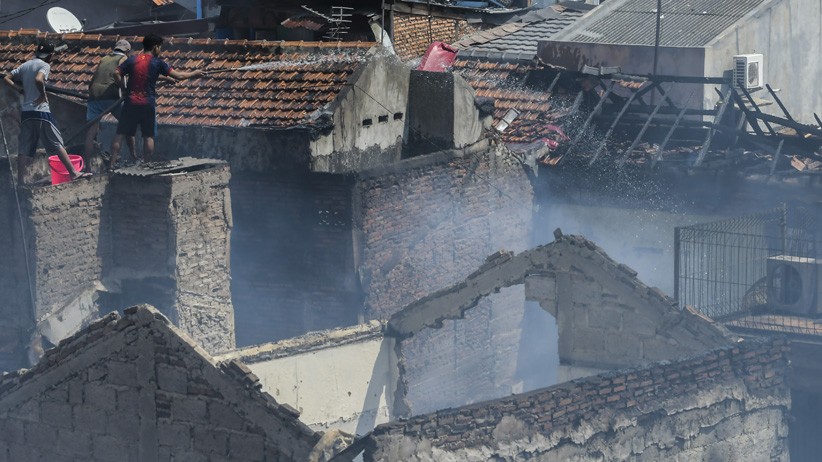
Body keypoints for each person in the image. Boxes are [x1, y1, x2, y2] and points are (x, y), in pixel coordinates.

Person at [110, 34, 203, 167]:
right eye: (160, 47)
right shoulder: (158, 63)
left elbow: (116, 73)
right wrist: (195, 73)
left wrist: (124, 89)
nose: (160, 50)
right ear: (155, 47)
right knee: (148, 135)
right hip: (147, 103)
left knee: (121, 133)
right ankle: (147, 165)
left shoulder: (132, 59)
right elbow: (180, 76)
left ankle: (111, 165)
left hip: (130, 103)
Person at [3, 42, 89, 184]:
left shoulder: (25, 65)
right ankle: (73, 173)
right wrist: (42, 94)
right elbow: (38, 79)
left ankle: (20, 182)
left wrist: (19, 89)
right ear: (50, 56)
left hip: (27, 112)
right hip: (41, 111)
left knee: (24, 148)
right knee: (57, 142)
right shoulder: (44, 65)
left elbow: (6, 78)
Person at [84, 39, 136, 163]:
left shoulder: (104, 58)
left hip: (94, 95)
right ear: (127, 51)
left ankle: (87, 167)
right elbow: (119, 77)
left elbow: (93, 80)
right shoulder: (123, 59)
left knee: (91, 132)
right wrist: (125, 90)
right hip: (110, 95)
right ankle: (133, 156)